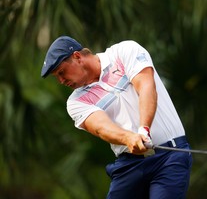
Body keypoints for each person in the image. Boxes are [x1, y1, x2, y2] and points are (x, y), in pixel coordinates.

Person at [41, 36, 193, 199]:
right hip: (129, 165)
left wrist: (144, 130)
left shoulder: (124, 52)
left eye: (62, 72)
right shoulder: (76, 101)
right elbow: (100, 127)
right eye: (57, 77)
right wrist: (129, 138)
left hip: (170, 156)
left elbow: (146, 86)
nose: (61, 80)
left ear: (77, 57)